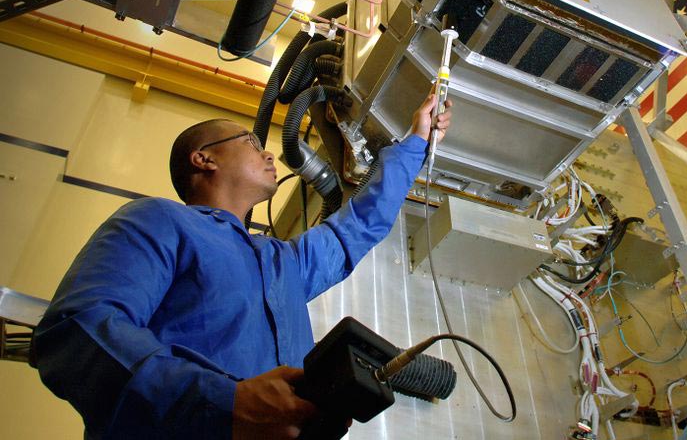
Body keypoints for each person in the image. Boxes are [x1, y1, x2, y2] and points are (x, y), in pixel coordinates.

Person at [33, 93, 452, 440]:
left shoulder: (282, 261)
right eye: (250, 141)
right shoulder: (157, 221)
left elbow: (358, 225)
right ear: (203, 159)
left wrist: (416, 141)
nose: (269, 152)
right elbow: (77, 330)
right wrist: (225, 402)